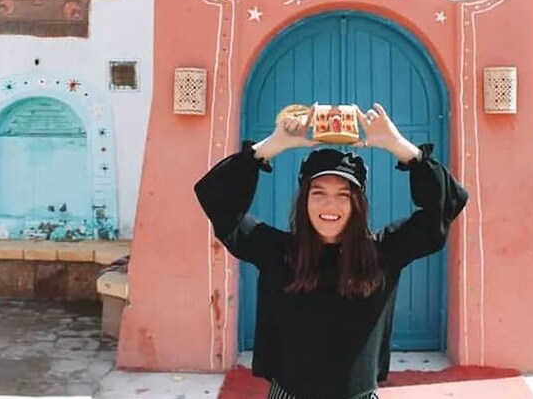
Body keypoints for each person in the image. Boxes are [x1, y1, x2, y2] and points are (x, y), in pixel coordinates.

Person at [194, 103, 468, 399]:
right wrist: (270, 147)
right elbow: (217, 201)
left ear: (358, 205)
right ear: (303, 201)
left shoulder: (384, 253)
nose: (330, 206)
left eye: (343, 196)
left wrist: (400, 147)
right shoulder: (277, 251)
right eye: (318, 193)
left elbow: (444, 208)